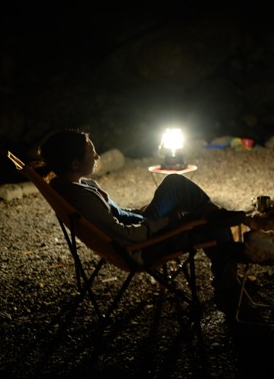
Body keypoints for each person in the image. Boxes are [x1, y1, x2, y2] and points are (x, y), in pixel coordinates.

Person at [35, 129, 245, 316]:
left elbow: (118, 217)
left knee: (179, 188)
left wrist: (142, 213)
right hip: (145, 245)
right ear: (75, 163)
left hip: (141, 228)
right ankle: (229, 286)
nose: (97, 156)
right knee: (210, 221)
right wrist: (165, 221)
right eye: (91, 152)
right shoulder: (82, 198)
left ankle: (227, 268)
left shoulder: (71, 187)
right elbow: (126, 233)